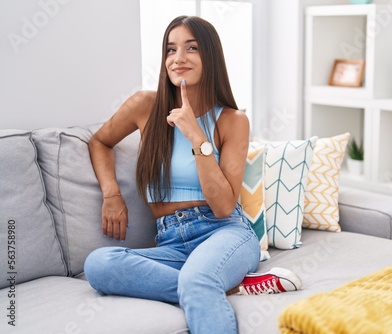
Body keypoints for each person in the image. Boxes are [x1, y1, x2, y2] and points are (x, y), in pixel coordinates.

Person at [83, 15, 301, 334]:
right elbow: (100, 141)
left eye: (191, 48)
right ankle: (226, 286)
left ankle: (202, 283)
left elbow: (224, 206)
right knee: (98, 265)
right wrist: (111, 193)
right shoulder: (145, 105)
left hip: (225, 232)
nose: (178, 58)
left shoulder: (232, 120)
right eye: (170, 50)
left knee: (196, 278)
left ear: (209, 56)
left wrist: (196, 136)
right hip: (171, 241)